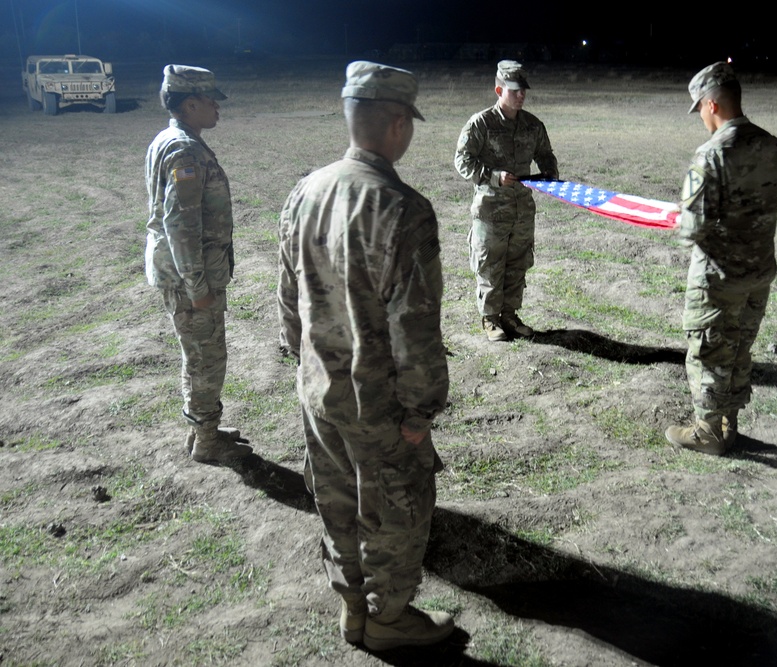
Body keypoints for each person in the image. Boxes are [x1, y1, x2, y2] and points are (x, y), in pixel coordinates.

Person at [277, 61, 453, 651]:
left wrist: (302, 361)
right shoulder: (402, 208)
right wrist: (420, 411)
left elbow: (288, 295)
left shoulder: (306, 190)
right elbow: (416, 327)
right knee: (397, 512)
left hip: (319, 388)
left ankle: (352, 607)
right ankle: (385, 617)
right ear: (397, 123)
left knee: (337, 502)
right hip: (377, 402)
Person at [665, 62, 777, 456]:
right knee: (738, 347)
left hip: (719, 277)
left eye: (699, 108)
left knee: (709, 350)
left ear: (712, 104)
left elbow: (690, 231)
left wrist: (679, 214)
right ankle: (728, 422)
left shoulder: (712, 154)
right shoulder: (772, 145)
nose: (700, 116)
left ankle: (708, 432)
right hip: (758, 271)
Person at [145, 65, 251, 463]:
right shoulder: (185, 150)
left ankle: (202, 428)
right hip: (189, 277)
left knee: (200, 355)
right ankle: (206, 441)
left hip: (184, 272)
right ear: (190, 104)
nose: (217, 107)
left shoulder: (172, 139)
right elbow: (180, 225)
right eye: (210, 101)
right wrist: (198, 288)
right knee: (206, 358)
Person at [455, 60, 558, 342]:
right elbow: (462, 161)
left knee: (517, 264)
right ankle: (490, 320)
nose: (521, 95)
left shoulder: (532, 125)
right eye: (514, 90)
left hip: (522, 210)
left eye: (523, 90)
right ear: (499, 89)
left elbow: (546, 154)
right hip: (491, 210)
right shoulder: (481, 124)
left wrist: (550, 173)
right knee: (490, 264)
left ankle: (510, 316)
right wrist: (493, 176)